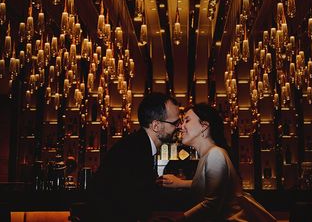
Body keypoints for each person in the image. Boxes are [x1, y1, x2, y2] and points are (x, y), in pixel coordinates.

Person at [157, 104, 275, 221]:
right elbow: (210, 184)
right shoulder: (209, 155)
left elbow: (211, 204)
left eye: (186, 121)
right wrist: (179, 183)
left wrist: (177, 220)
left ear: (204, 126)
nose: (180, 126)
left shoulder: (215, 155)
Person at [85, 92, 181, 221]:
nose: (180, 126)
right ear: (156, 126)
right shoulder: (135, 150)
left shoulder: (139, 144)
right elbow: (129, 202)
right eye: (175, 122)